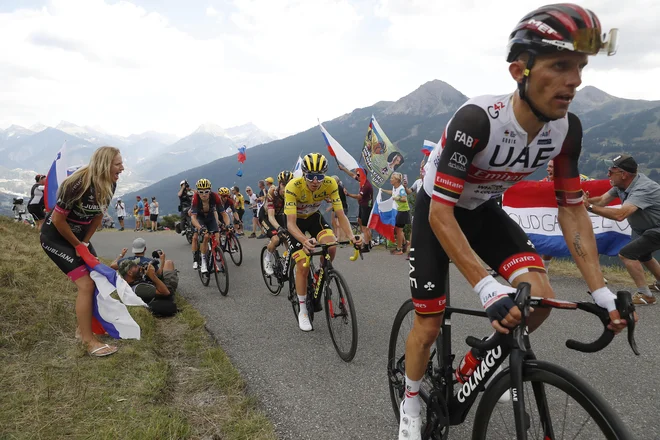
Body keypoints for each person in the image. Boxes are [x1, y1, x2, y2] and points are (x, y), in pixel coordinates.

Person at [397, 6, 631, 439]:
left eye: (580, 67)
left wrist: (598, 290)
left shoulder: (565, 130)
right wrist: (487, 288)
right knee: (429, 323)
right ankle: (410, 400)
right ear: (518, 70)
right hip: (438, 210)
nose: (575, 80)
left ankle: (480, 362)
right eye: (561, 65)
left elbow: (572, 209)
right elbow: (441, 212)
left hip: (482, 211)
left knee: (538, 298)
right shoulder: (477, 121)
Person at [40, 146, 124, 357]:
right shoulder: (77, 184)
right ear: (105, 164)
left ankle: (82, 330)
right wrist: (77, 245)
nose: (122, 168)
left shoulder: (110, 182)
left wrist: (84, 243)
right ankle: (88, 341)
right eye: (118, 164)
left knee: (95, 278)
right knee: (86, 284)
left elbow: (97, 217)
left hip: (79, 237)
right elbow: (58, 220)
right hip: (56, 237)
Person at [284, 153, 362, 331]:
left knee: (331, 246)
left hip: (313, 218)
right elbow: (290, 223)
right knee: (303, 264)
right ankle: (303, 309)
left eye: (319, 176)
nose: (315, 181)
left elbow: (340, 214)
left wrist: (351, 237)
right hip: (295, 222)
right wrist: (304, 240)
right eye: (311, 176)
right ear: (304, 174)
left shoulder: (330, 184)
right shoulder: (293, 187)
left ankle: (320, 272)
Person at [584, 154, 660, 305]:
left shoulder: (643, 188)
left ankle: (646, 295)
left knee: (627, 254)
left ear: (624, 174)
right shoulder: (621, 185)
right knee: (643, 254)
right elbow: (602, 200)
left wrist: (589, 207)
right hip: (651, 229)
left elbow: (620, 215)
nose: (608, 174)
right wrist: (583, 201)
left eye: (611, 171)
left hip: (657, 228)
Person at [261, 171, 293, 275]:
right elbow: (271, 216)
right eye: (284, 184)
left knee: (289, 239)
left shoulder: (292, 193)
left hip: (279, 215)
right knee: (276, 239)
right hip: (266, 216)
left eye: (289, 184)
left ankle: (287, 260)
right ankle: (267, 259)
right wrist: (279, 228)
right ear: (279, 184)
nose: (286, 187)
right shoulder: (272, 192)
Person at [190, 178, 222, 274]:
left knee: (217, 237)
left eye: (206, 191)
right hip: (200, 217)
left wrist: (229, 224)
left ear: (210, 191)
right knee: (205, 236)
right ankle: (202, 261)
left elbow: (223, 213)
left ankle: (215, 258)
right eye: (201, 192)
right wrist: (200, 228)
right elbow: (193, 218)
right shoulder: (195, 198)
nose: (204, 194)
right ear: (197, 192)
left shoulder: (215, 196)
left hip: (210, 216)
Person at [339, 166, 374, 253]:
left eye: (358, 175)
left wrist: (348, 194)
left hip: (366, 207)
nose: (357, 176)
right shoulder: (362, 181)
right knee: (360, 221)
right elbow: (352, 175)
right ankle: (368, 242)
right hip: (362, 206)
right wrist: (344, 169)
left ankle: (366, 246)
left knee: (365, 227)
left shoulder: (366, 185)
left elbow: (359, 196)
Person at [382, 172, 410, 255]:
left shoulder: (401, 189)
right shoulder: (395, 187)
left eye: (392, 178)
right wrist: (383, 190)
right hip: (398, 211)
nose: (390, 180)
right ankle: (405, 242)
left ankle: (399, 249)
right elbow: (392, 192)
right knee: (397, 229)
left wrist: (397, 198)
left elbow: (404, 198)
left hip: (402, 211)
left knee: (398, 230)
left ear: (397, 180)